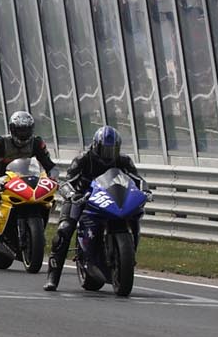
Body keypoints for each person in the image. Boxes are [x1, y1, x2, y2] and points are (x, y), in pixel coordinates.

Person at [43, 125, 147, 292]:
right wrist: (71, 194)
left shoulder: (123, 160)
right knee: (65, 229)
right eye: (105, 150)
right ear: (96, 146)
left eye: (112, 150)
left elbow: (137, 179)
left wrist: (145, 191)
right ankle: (52, 277)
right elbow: (67, 182)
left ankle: (126, 258)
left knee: (133, 215)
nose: (108, 154)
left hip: (110, 198)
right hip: (81, 198)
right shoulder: (83, 159)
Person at [0, 110, 57, 269]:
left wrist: (53, 178)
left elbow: (50, 166)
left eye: (26, 130)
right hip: (0, 179)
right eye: (19, 130)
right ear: (12, 129)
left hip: (27, 180)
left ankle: (34, 238)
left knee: (46, 203)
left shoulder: (37, 143)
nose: (23, 134)